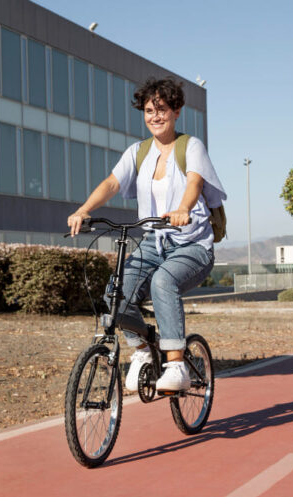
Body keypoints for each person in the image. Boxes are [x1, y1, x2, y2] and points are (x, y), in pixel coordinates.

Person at [67, 77, 226, 392]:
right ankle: (142, 350)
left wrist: (183, 208)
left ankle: (177, 364)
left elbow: (194, 182)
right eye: (150, 110)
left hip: (192, 245)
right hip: (154, 242)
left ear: (176, 111)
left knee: (162, 281)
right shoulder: (138, 152)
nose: (156, 116)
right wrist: (83, 209)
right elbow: (112, 183)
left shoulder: (191, 146)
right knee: (116, 292)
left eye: (163, 109)